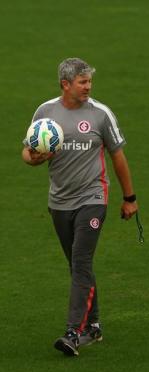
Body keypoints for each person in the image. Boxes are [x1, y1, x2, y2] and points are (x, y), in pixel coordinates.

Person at [22, 58, 138, 356]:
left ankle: (73, 332)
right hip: (59, 202)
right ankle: (94, 325)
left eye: (89, 82)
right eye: (82, 82)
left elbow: (118, 156)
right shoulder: (45, 112)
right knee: (77, 266)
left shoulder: (100, 114)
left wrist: (129, 198)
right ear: (65, 84)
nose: (88, 87)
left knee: (81, 260)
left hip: (93, 198)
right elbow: (27, 149)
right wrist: (32, 158)